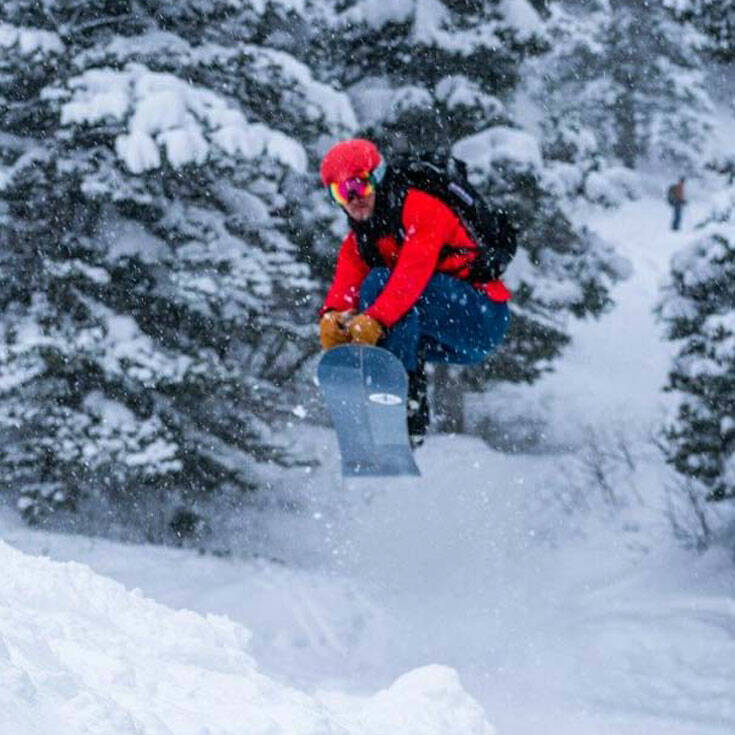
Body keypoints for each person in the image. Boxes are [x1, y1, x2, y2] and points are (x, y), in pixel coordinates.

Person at [318, 138, 511, 447]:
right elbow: (344, 287)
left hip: (480, 316)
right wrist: (333, 320)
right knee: (375, 322)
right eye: (341, 192)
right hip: (442, 336)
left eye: (359, 186)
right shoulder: (359, 241)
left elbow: (413, 274)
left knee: (380, 287)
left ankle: (405, 406)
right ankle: (386, 409)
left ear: (377, 178)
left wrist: (374, 320)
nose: (353, 199)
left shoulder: (421, 208)